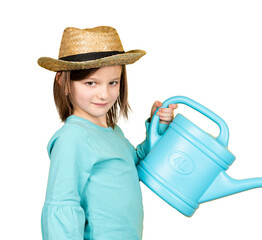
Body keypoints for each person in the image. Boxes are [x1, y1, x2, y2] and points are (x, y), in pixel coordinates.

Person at [38, 26, 178, 240]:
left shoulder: (112, 132)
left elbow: (134, 164)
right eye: (91, 83)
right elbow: (62, 206)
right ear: (63, 83)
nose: (104, 94)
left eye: (113, 82)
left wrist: (157, 128)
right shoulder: (73, 138)